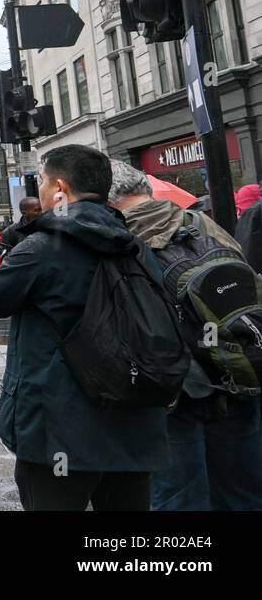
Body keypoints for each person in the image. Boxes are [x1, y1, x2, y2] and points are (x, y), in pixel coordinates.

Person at [0, 144, 171, 511]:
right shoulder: (134, 244)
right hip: (132, 423)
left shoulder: (42, 248)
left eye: (41, 181)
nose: (38, 190)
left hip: (58, 429)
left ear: (59, 188)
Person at [108, 161, 262, 511]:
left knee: (180, 498)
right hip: (239, 370)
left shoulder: (120, 239)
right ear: (145, 190)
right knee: (244, 492)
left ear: (109, 200)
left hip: (177, 391)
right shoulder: (201, 223)